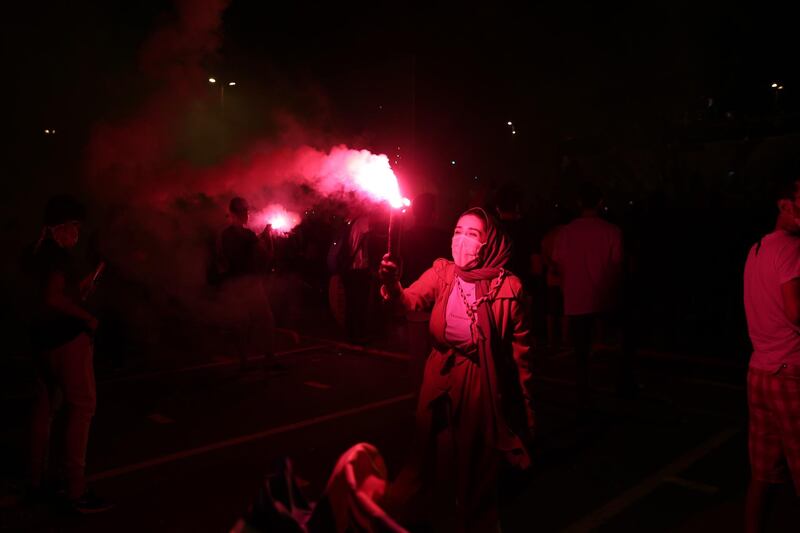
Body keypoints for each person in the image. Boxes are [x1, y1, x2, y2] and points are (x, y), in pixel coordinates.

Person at [379, 207, 534, 531]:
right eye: (458, 231)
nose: (461, 240)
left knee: (474, 462)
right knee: (425, 454)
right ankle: (393, 518)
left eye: (472, 235)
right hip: (439, 373)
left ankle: (472, 523)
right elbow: (406, 303)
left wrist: (526, 410)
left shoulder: (509, 289)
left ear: (488, 243)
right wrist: (392, 283)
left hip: (480, 379)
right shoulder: (442, 273)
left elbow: (521, 357)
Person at [27, 194, 112, 513]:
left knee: (44, 412)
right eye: (74, 226)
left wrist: (86, 284)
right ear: (61, 227)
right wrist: (87, 317)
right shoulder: (56, 256)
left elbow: (56, 294)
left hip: (41, 343)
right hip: (65, 340)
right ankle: (76, 490)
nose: (77, 232)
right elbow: (53, 298)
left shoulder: (34, 253)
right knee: (83, 408)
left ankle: (36, 482)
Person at [743, 170, 800, 533]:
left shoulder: (757, 248)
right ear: (785, 204)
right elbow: (796, 312)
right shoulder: (793, 250)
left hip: (759, 373)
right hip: (791, 374)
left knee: (763, 476)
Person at [552, 183, 631, 411]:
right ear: (600, 202)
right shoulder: (612, 231)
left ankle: (583, 394)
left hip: (577, 298)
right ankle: (621, 385)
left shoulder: (566, 232)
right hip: (606, 297)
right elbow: (618, 267)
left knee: (581, 353)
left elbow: (558, 264)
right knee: (617, 344)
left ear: (578, 202)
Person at [219, 197, 282, 374]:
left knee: (241, 323)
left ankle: (243, 362)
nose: (247, 214)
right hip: (250, 283)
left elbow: (239, 250)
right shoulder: (247, 235)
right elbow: (267, 255)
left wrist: (260, 236)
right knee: (266, 320)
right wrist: (269, 238)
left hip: (234, 282)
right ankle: (269, 358)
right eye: (245, 211)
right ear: (240, 213)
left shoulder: (226, 235)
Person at [398, 193, 451, 385]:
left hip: (416, 305)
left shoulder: (403, 238)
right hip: (441, 305)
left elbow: (400, 270)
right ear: (434, 214)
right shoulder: (445, 237)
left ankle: (422, 397)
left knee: (420, 359)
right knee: (442, 357)